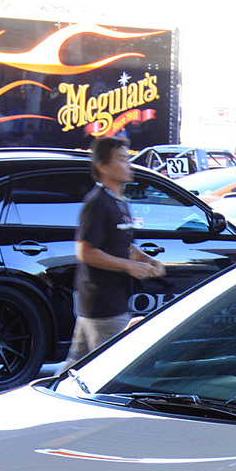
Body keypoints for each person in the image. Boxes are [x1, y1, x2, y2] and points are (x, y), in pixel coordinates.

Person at [64, 136, 166, 367]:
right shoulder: (97, 203)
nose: (128, 165)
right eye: (121, 160)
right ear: (102, 166)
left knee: (75, 367)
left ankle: (50, 397)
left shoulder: (120, 203)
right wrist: (128, 266)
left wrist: (147, 260)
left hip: (113, 300)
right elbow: (85, 251)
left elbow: (122, 245)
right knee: (110, 368)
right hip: (103, 304)